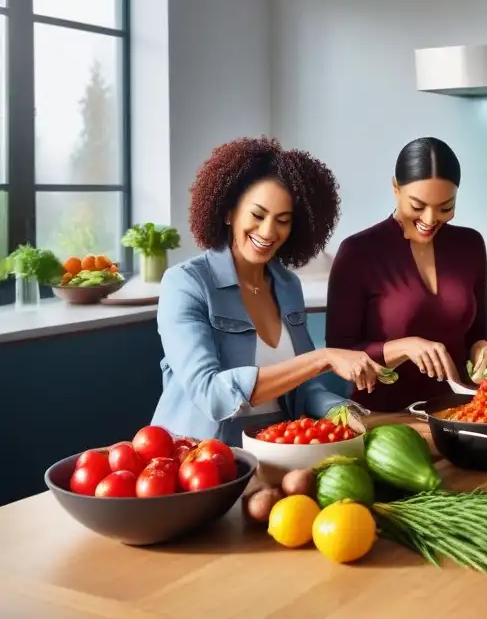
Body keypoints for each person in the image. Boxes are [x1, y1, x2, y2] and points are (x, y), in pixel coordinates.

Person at [152, 137, 381, 446]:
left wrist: (341, 412)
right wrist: (322, 358)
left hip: (276, 449)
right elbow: (212, 394)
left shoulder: (288, 285)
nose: (268, 232)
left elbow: (303, 388)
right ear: (228, 212)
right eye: (258, 216)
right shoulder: (186, 284)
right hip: (200, 460)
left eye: (283, 221)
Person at [325, 137, 487, 412]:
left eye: (445, 208)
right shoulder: (358, 252)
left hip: (461, 413)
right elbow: (339, 355)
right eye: (417, 206)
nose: (430, 219)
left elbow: (478, 333)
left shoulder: (471, 245)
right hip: (384, 418)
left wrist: (481, 349)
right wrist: (405, 347)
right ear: (395, 188)